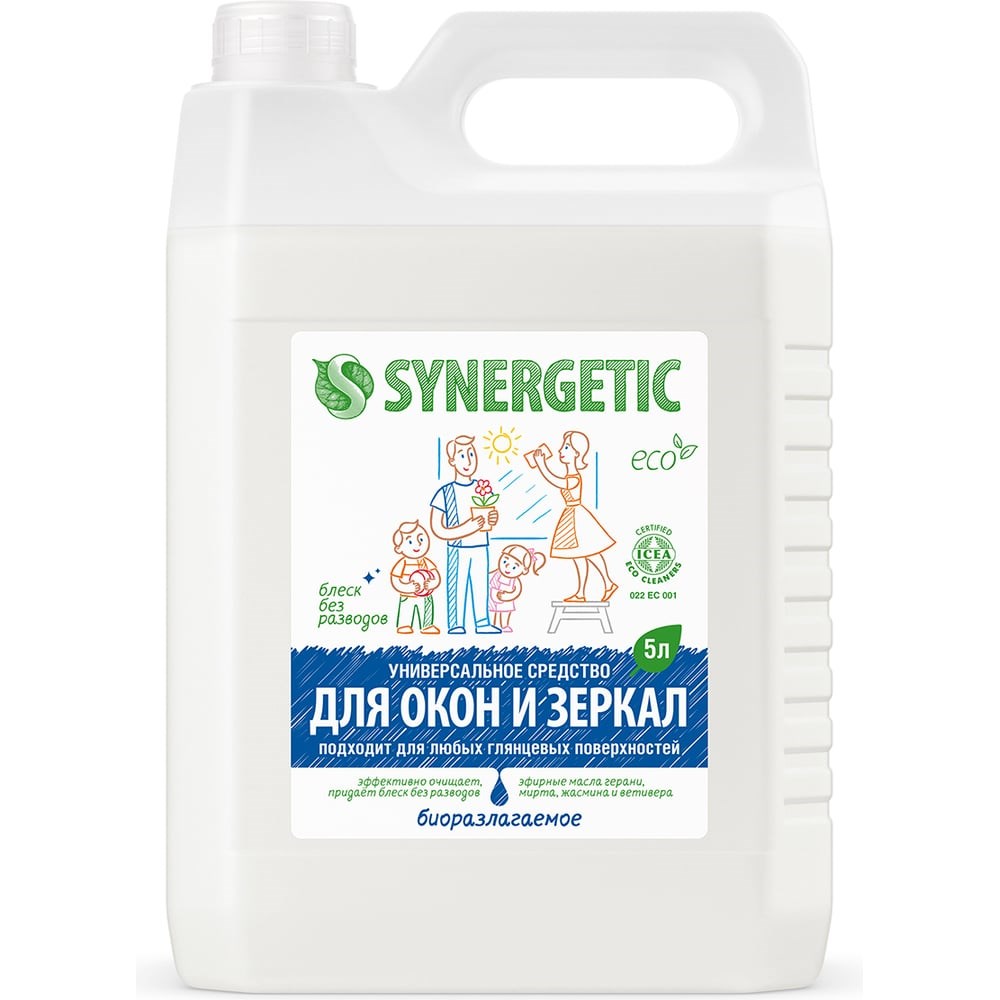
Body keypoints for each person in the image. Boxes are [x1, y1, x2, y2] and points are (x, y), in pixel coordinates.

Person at [525, 430, 618, 602]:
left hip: (577, 517)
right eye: (563, 446)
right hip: (571, 515)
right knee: (580, 555)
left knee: (589, 552)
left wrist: (541, 464)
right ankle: (585, 592)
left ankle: (606, 584)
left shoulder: (574, 478)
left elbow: (556, 481)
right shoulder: (570, 475)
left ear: (577, 453)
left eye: (566, 447)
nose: (561, 450)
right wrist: (541, 464)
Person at [429, 435, 501, 634]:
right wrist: (467, 528)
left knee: (481, 585)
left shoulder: (482, 489)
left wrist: (492, 519)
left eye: (471, 454)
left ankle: (482, 622)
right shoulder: (445, 492)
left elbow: (489, 518)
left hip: (481, 547)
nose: (468, 460)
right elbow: (437, 529)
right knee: (457, 586)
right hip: (457, 549)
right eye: (462, 455)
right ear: (452, 461)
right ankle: (456, 624)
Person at [389, 520, 440, 635]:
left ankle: (427, 626)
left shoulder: (426, 562)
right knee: (406, 609)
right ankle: (404, 625)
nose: (418, 544)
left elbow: (436, 575)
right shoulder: (402, 563)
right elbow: (395, 579)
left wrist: (433, 583)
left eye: (421, 539)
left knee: (426, 610)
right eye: (410, 542)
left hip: (425, 595)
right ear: (399, 549)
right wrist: (407, 587)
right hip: (407, 595)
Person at [489, 543, 546, 632]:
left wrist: (509, 596)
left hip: (507, 600)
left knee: (505, 613)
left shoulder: (515, 580)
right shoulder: (497, 574)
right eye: (504, 562)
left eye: (514, 567)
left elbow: (517, 591)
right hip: (494, 598)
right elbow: (490, 582)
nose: (507, 567)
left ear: (524, 570)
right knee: (494, 612)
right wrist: (495, 594)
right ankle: (494, 624)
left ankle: (504, 625)